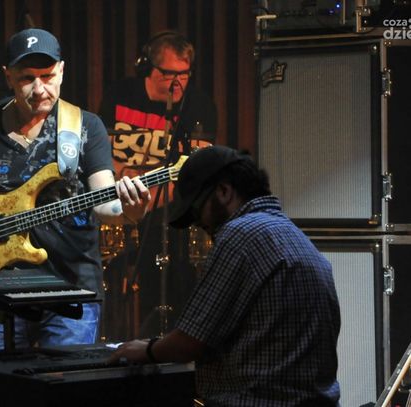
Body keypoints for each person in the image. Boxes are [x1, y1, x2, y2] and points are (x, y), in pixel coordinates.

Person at [0, 28, 151, 351]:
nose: (39, 89)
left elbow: (105, 204)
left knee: (63, 381)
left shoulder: (85, 126)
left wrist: (132, 210)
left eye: (48, 76)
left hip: (72, 288)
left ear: (62, 71)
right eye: (27, 78)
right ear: (8, 76)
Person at [109, 146, 341, 406]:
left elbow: (190, 341)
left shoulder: (240, 234)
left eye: (197, 210)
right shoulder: (293, 235)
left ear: (223, 191)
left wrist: (147, 349)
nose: (198, 223)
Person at [98, 30, 217, 338]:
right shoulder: (120, 95)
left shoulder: (198, 105)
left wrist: (146, 202)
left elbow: (195, 171)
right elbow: (100, 153)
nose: (177, 83)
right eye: (169, 74)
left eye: (184, 74)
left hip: (163, 212)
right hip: (116, 201)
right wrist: (123, 182)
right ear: (148, 68)